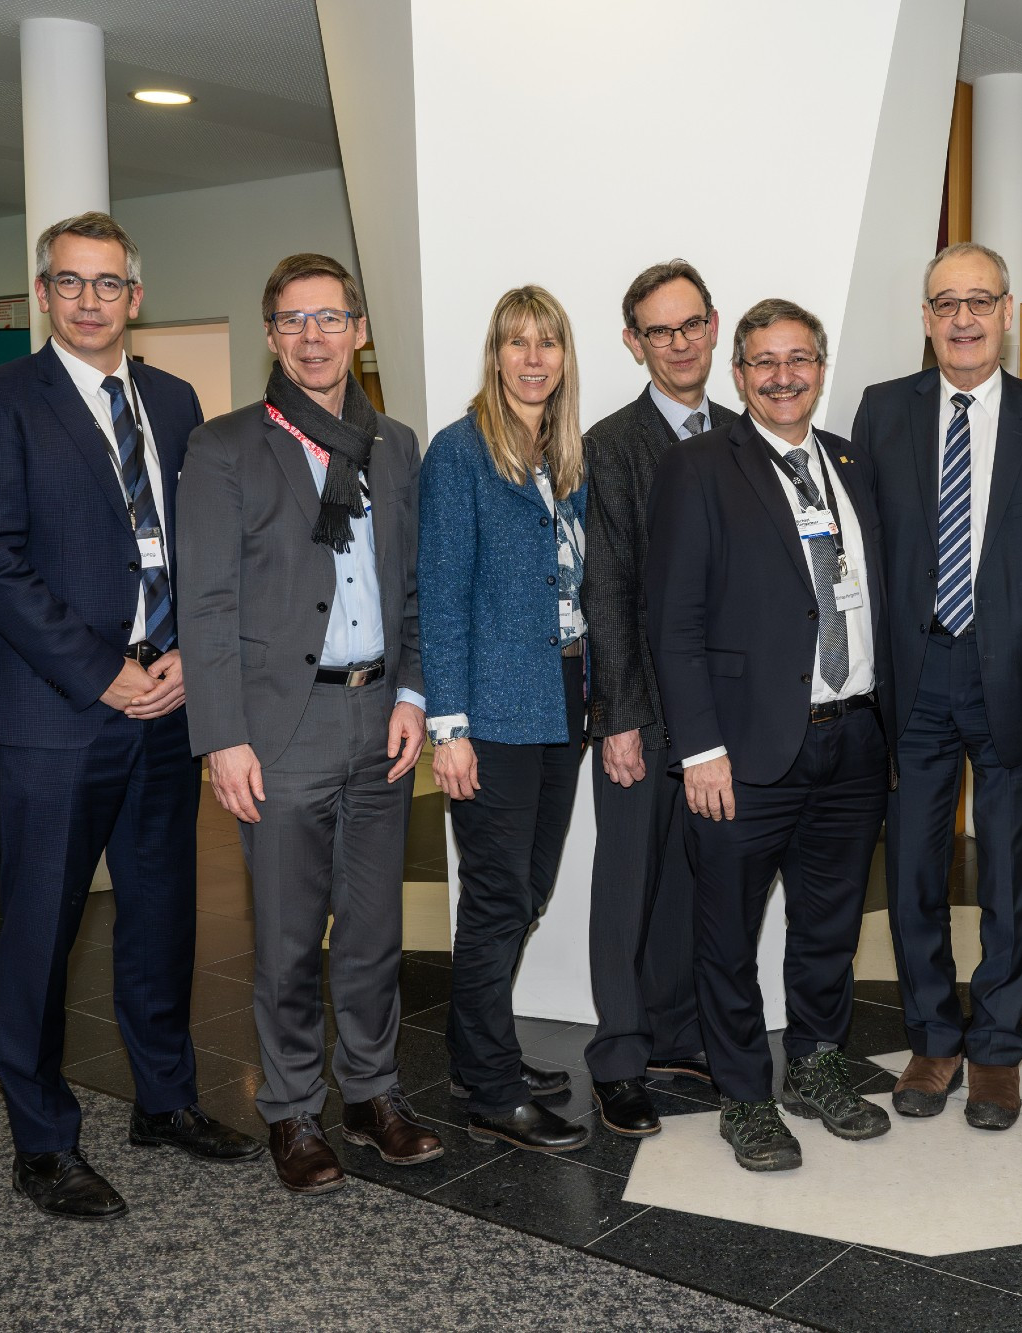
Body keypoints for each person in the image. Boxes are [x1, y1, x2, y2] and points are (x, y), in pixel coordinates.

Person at [0, 211, 259, 1220]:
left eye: (109, 283)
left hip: (166, 705)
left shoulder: (172, 400)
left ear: (136, 295)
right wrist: (101, 671)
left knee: (162, 919)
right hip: (55, 714)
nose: (91, 300)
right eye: (71, 283)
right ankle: (41, 1142)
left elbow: (195, 542)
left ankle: (164, 1101)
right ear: (43, 294)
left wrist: (183, 663)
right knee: (42, 931)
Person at [176, 252, 441, 1195]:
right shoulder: (225, 446)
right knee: (289, 939)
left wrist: (414, 694)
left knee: (372, 933)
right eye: (294, 321)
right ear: (272, 335)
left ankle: (372, 1094)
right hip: (278, 728)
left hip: (383, 718)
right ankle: (291, 1108)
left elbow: (414, 585)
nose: (314, 337)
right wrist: (221, 736)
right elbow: (203, 603)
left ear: (359, 330)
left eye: (331, 318)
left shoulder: (397, 444)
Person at [853, 242, 1022, 1131]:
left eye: (979, 302)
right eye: (944, 303)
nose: (962, 318)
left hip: (1021, 688)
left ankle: (996, 1045)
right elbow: (864, 557)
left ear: (1007, 313)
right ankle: (934, 1035)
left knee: (1013, 871)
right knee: (914, 869)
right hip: (911, 684)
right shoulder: (882, 413)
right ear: (926, 319)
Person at [646, 299, 893, 1172]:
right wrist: (699, 748)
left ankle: (818, 1063)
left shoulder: (855, 464)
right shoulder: (699, 467)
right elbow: (670, 621)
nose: (783, 375)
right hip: (744, 753)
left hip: (855, 738)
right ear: (738, 374)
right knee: (728, 932)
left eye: (799, 358)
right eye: (763, 362)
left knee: (828, 925)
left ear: (821, 367)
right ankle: (745, 1094)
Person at [418, 286, 593, 1155]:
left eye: (548, 342)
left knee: (526, 890)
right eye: (516, 342)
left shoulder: (564, 456)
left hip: (564, 701)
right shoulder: (461, 453)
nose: (532, 357)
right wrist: (448, 727)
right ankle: (489, 1087)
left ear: (564, 358)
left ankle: (472, 1050)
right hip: (490, 710)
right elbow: (441, 597)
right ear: (495, 355)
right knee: (496, 900)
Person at [580, 260, 733, 1136]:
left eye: (690, 325)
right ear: (634, 343)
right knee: (627, 884)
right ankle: (619, 1055)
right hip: (643, 711)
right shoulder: (612, 444)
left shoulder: (744, 434)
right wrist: (623, 718)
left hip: (717, 714)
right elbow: (608, 587)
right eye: (658, 331)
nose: (677, 344)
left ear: (714, 326)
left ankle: (678, 1031)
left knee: (691, 877)